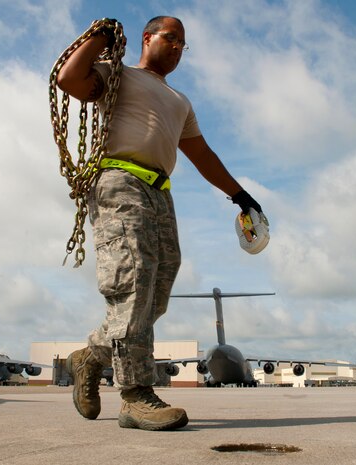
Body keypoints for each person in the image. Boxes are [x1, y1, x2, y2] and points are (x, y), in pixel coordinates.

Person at [57, 16, 263, 431]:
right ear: (147, 38)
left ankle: (92, 356)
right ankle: (135, 396)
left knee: (157, 290)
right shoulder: (117, 73)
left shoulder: (179, 101)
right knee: (133, 282)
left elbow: (202, 154)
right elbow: (68, 79)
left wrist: (240, 195)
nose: (177, 48)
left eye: (183, 44)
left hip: (159, 191)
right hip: (119, 180)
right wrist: (100, 35)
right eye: (171, 38)